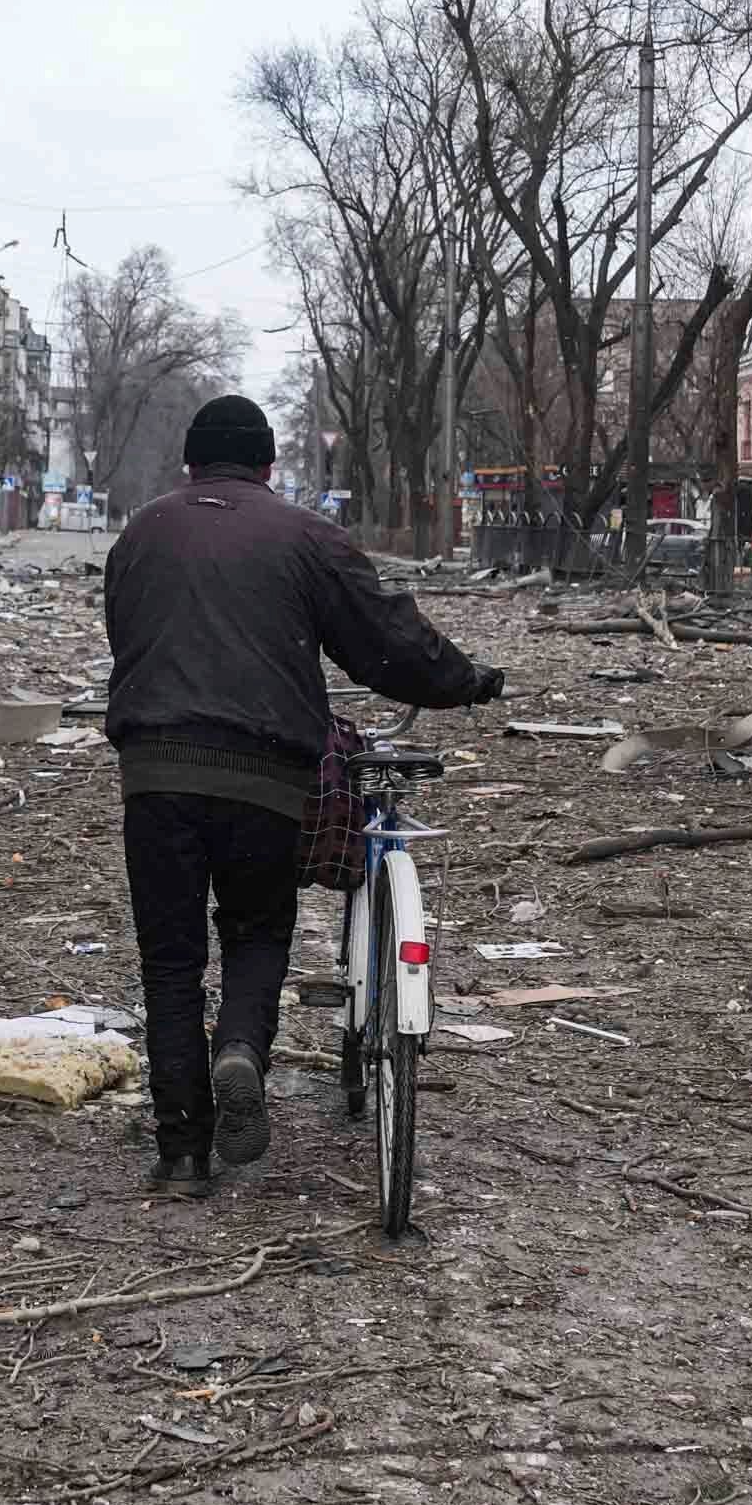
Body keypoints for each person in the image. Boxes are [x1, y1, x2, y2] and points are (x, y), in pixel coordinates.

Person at [102, 395, 504, 1197]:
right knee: (256, 928)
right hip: (264, 773)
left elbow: (128, 633)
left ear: (189, 461)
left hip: (155, 771)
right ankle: (242, 1049)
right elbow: (385, 642)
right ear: (268, 464)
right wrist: (466, 680)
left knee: (170, 957)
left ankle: (182, 1153)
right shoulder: (304, 536)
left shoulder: (140, 533)